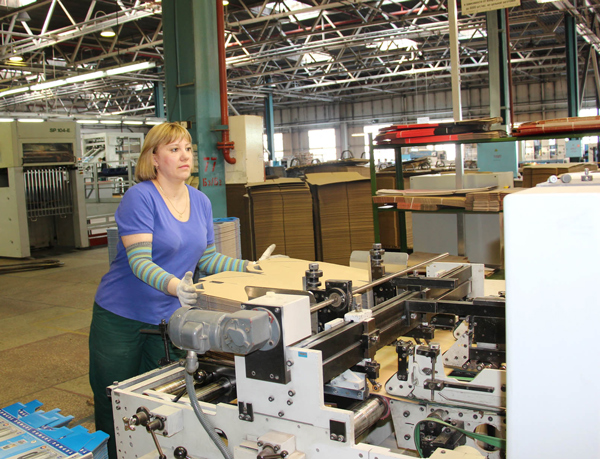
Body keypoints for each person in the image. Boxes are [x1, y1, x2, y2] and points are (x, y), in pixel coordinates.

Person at [89, 122, 259, 459]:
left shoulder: (200, 201)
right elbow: (139, 261)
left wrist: (249, 267)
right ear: (154, 158)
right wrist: (175, 286)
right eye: (174, 149)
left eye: (188, 149)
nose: (185, 156)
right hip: (121, 317)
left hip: (169, 321)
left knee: (161, 400)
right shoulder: (140, 198)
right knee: (115, 399)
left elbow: (207, 258)